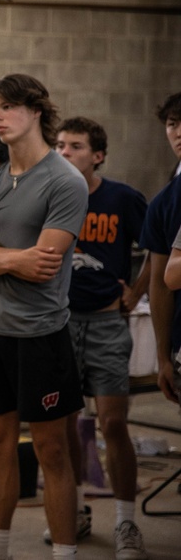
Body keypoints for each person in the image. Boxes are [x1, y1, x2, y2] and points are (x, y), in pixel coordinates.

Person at [0, 74, 88, 560]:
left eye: (9, 106)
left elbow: (45, 264)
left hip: (40, 334)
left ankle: (65, 553)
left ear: (37, 111)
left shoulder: (64, 181)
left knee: (52, 450)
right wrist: (11, 257)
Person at [54, 117, 149, 560]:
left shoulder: (123, 199)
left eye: (74, 146)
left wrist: (138, 289)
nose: (64, 153)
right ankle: (74, 510)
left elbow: (161, 245)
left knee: (112, 423)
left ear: (98, 155)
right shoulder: (51, 196)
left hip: (108, 324)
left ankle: (127, 520)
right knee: (69, 425)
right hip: (60, 323)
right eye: (59, 145)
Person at [140, 92, 181, 410]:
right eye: (172, 124)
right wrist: (162, 355)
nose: (178, 132)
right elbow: (162, 281)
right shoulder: (163, 203)